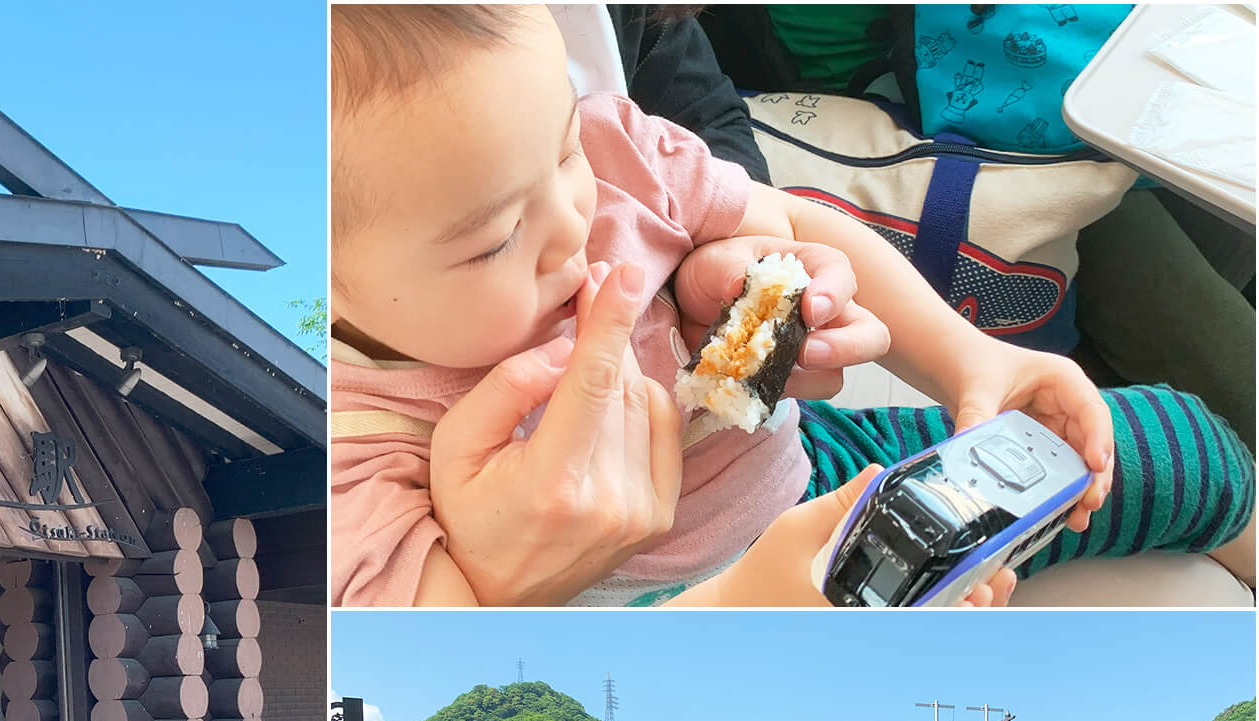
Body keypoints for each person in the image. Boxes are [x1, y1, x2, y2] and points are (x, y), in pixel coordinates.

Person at [326, 4, 1254, 608]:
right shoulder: (357, 440)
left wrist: (978, 360)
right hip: (666, 614)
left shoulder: (617, 155)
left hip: (810, 461)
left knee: (1178, 445)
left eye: (564, 148)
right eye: (494, 238)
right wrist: (755, 604)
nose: (576, 220)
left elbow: (793, 221)